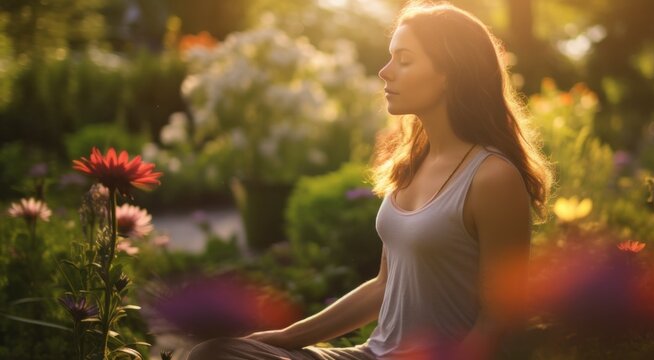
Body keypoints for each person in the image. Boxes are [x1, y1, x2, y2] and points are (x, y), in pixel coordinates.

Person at [186, 1, 552, 359]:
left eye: (405, 60)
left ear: (451, 74)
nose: (385, 71)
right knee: (215, 353)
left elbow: (500, 317)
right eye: (391, 56)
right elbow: (383, 285)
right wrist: (284, 339)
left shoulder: (492, 177)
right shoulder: (411, 162)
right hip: (371, 353)